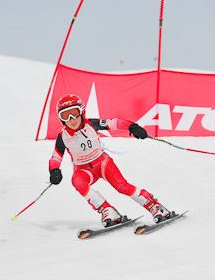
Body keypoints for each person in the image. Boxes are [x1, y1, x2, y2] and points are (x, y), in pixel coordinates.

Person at [48, 94, 171, 227]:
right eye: (66, 116)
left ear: (82, 112)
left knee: (122, 186)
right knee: (77, 180)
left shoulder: (91, 124)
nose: (72, 119)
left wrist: (132, 127)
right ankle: (108, 210)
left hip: (102, 163)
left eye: (74, 113)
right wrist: (54, 170)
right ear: (61, 119)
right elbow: (56, 157)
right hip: (83, 170)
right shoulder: (63, 136)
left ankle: (155, 207)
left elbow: (114, 123)